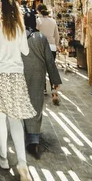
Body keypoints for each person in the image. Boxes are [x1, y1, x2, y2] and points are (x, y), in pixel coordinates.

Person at [0, 0, 36, 181]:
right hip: (15, 73)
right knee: (16, 117)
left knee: (0, 113)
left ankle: (3, 156)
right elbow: (25, 51)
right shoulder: (19, 26)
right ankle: (22, 163)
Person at [22, 13, 62, 159]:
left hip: (20, 72)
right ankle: (33, 138)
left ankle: (21, 131)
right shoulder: (41, 38)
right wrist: (54, 80)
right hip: (38, 73)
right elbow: (49, 61)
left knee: (21, 101)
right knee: (36, 103)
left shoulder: (17, 37)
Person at [37, 4, 60, 102]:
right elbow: (57, 35)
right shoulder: (53, 21)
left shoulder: (38, 21)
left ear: (39, 11)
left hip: (41, 46)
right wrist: (56, 44)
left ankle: (43, 88)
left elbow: (36, 34)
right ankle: (54, 89)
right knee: (51, 68)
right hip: (52, 46)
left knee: (42, 68)